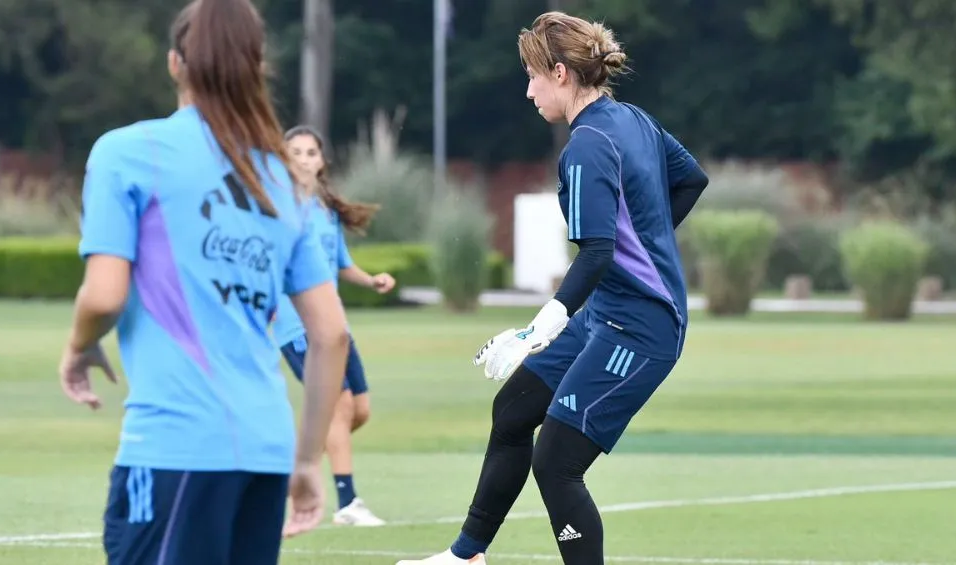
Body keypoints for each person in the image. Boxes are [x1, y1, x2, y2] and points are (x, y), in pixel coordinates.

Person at [397, 11, 709, 565]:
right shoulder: (632, 118)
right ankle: (467, 556)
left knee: (557, 460)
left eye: (533, 75)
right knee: (513, 412)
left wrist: (535, 331)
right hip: (605, 314)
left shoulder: (587, 145)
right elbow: (689, 179)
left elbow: (596, 253)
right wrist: (646, 244)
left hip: (641, 328)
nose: (528, 89)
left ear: (561, 73)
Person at [57, 0, 351, 563]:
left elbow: (103, 294)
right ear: (257, 66)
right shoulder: (282, 179)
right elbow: (331, 335)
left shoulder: (128, 154)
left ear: (175, 64)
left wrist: (78, 345)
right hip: (265, 454)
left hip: (175, 447)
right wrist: (307, 460)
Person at [273, 125, 396, 526]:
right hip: (299, 328)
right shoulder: (278, 208)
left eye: (312, 152)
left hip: (333, 324)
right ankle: (348, 503)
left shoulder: (325, 212)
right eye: (296, 152)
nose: (305, 159)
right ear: (284, 159)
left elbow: (340, 263)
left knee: (358, 410)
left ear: (322, 161)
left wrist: (371, 279)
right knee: (339, 407)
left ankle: (292, 466)